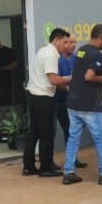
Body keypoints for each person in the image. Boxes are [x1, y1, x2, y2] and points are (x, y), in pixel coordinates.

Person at [62, 24, 102, 185]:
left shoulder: (81, 50)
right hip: (90, 104)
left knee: (73, 138)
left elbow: (83, 68)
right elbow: (89, 76)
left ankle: (68, 172)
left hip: (73, 103)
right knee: (101, 139)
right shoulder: (96, 54)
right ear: (101, 38)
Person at [22, 28, 71, 177]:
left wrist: (67, 86)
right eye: (64, 42)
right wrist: (71, 78)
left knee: (35, 132)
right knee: (46, 133)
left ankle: (29, 166)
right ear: (56, 40)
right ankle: (45, 168)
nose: (67, 46)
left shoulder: (43, 51)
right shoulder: (51, 55)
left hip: (34, 95)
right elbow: (54, 80)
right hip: (43, 98)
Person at [54, 34, 88, 169]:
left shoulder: (76, 58)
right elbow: (56, 81)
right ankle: (50, 161)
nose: (72, 45)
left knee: (71, 131)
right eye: (68, 42)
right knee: (52, 131)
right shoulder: (57, 59)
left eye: (74, 42)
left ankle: (73, 159)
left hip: (73, 102)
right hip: (58, 101)